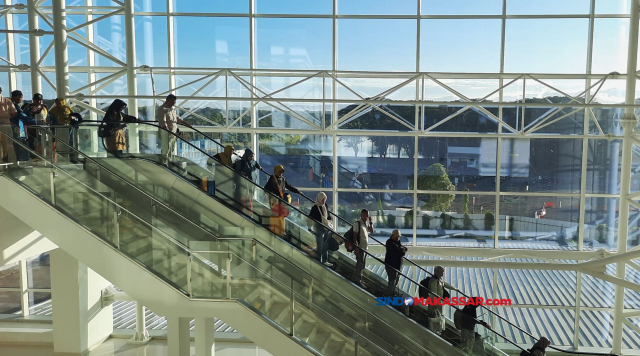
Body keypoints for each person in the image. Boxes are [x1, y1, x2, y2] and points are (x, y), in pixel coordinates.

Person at [157, 94, 191, 165]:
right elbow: (163, 122)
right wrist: (169, 131)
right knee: (166, 148)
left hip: (173, 132)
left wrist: (186, 124)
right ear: (168, 100)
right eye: (173, 101)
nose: (174, 103)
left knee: (171, 147)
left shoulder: (172, 109)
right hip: (166, 132)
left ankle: (169, 161)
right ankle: (164, 162)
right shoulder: (162, 109)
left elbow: (177, 118)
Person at [426, 265, 460, 334]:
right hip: (435, 303)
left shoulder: (439, 279)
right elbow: (433, 293)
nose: (443, 273)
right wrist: (434, 303)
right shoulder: (434, 280)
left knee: (438, 316)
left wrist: (454, 288)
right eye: (442, 272)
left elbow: (446, 284)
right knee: (434, 317)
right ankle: (433, 331)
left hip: (439, 302)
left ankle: (437, 330)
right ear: (438, 272)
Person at [9, 90, 35, 162]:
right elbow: (22, 116)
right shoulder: (14, 106)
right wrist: (33, 121)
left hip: (15, 127)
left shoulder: (11, 104)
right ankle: (22, 162)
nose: (22, 99)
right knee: (21, 146)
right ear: (17, 97)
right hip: (16, 128)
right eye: (21, 97)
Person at [309, 192, 333, 267]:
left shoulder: (325, 206)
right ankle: (319, 261)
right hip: (318, 227)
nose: (324, 201)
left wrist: (329, 221)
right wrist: (309, 227)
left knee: (325, 245)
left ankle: (325, 260)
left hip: (326, 228)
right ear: (319, 199)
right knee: (320, 245)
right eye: (323, 199)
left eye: (325, 199)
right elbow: (310, 217)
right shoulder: (315, 207)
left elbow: (328, 216)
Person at [352, 209, 374, 287]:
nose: (366, 217)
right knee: (360, 263)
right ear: (361, 215)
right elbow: (355, 235)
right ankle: (357, 279)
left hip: (365, 247)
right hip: (360, 247)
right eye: (364, 215)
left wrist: (371, 222)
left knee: (362, 264)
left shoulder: (365, 223)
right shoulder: (358, 223)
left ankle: (359, 279)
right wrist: (356, 247)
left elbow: (371, 231)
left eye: (367, 215)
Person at [384, 229, 406, 296]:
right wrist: (402, 250)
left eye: (399, 236)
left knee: (394, 281)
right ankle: (389, 294)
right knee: (392, 281)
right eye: (397, 236)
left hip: (396, 266)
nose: (398, 238)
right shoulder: (390, 243)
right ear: (392, 235)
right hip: (391, 266)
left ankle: (391, 294)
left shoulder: (396, 243)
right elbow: (398, 252)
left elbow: (399, 251)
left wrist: (402, 250)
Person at [0, 86, 18, 164]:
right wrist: (8, 117)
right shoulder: (7, 101)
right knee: (10, 145)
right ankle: (13, 163)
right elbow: (14, 112)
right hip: (7, 124)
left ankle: (1, 163)